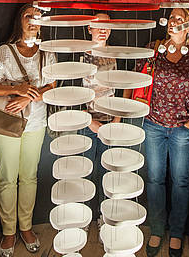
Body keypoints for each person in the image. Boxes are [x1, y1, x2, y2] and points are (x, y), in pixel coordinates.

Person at [0, 4, 56, 257]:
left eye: (38, 17)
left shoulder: (48, 52)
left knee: (29, 177)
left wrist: (28, 97)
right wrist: (15, 90)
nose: (33, 21)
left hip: (36, 123)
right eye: (28, 16)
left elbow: (53, 85)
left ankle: (26, 227)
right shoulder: (5, 52)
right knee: (7, 178)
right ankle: (9, 232)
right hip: (7, 123)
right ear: (20, 21)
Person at [139, 8, 189, 257]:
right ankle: (157, 229)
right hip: (153, 124)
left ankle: (176, 232)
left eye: (180, 19)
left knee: (181, 181)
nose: (173, 22)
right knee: (155, 179)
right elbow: (138, 81)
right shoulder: (153, 49)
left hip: (182, 128)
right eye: (171, 18)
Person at [81, 13, 118, 227]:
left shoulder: (117, 55)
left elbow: (124, 90)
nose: (102, 29)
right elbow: (70, 91)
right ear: (89, 28)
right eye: (97, 25)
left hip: (111, 124)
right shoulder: (79, 55)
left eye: (106, 25)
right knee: (83, 172)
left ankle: (105, 218)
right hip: (84, 123)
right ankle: (83, 218)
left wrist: (116, 120)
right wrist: (89, 122)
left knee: (109, 174)